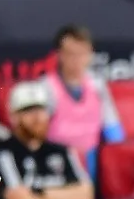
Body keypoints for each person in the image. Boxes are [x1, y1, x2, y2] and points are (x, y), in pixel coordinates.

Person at [42, 24, 124, 179]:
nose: (77, 60)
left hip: (92, 159)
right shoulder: (46, 88)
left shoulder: (98, 86)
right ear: (59, 55)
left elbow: (113, 129)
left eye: (83, 54)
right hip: (57, 161)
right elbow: (38, 135)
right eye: (71, 54)